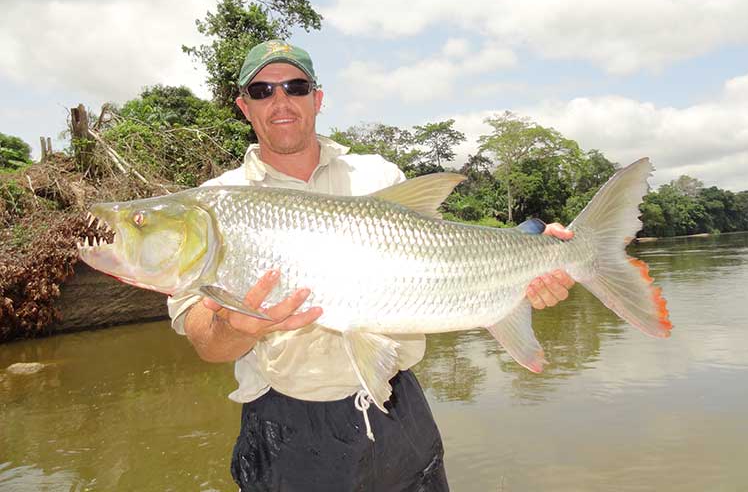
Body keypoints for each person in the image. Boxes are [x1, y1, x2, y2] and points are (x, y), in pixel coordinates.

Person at [167, 40, 575, 492]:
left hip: (399, 409)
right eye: (263, 91)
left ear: (317, 98)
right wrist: (236, 328)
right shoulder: (214, 202)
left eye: (295, 87)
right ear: (245, 106)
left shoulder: (377, 176)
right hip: (287, 428)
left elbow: (453, 254)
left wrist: (533, 252)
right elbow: (206, 341)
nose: (280, 101)